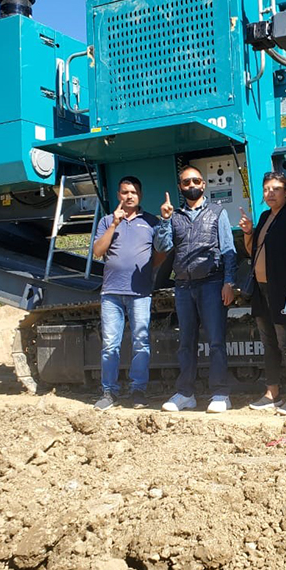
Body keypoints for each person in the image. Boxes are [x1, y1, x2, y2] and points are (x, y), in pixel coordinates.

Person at [153, 165, 236, 413]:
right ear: (180, 187)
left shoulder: (217, 213)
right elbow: (162, 246)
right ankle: (185, 393)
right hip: (183, 286)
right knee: (185, 342)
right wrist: (165, 220)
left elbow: (228, 250)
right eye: (186, 182)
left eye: (196, 181)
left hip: (211, 283)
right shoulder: (174, 216)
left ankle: (221, 394)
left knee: (216, 341)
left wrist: (229, 282)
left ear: (203, 184)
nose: (192, 185)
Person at [239, 172, 286, 416]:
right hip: (261, 290)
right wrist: (249, 232)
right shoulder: (264, 217)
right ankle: (272, 393)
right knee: (268, 343)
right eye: (267, 189)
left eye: (276, 188)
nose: (270, 193)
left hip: (283, 289)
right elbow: (254, 251)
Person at [92, 176, 160, 412]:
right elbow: (98, 252)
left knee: (141, 342)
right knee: (111, 345)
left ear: (140, 195)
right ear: (118, 195)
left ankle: (138, 390)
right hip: (111, 293)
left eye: (133, 192)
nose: (129, 196)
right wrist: (114, 225)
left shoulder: (151, 221)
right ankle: (109, 391)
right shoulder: (107, 221)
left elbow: (160, 253)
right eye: (124, 192)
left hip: (140, 292)